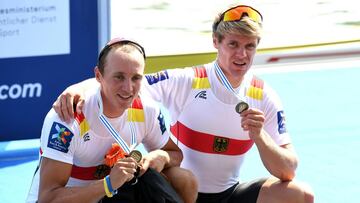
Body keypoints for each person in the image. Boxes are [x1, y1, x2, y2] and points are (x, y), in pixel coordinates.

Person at [53, 4, 314, 203]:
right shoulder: (188, 81)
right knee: (183, 179)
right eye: (233, 44)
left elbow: (288, 169)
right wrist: (77, 89)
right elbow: (125, 83)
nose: (241, 54)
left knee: (301, 195)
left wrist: (259, 137)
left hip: (229, 193)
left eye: (249, 46)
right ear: (216, 42)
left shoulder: (263, 95)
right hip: (182, 190)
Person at [26, 37, 198, 203]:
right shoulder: (67, 119)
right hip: (74, 197)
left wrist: (161, 157)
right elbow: (48, 198)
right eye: (119, 77)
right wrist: (107, 185)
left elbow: (175, 154)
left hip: (109, 194)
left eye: (136, 78)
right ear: (98, 76)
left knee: (184, 179)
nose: (128, 88)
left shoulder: (147, 109)